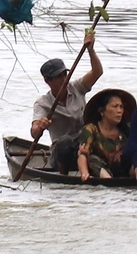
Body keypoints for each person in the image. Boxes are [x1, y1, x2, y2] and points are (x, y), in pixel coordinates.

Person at [29, 31, 102, 173]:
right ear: (47, 81)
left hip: (85, 145)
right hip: (61, 153)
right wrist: (40, 126)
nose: (63, 79)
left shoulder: (77, 87)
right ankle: (64, 175)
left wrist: (91, 50)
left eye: (64, 74)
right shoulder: (43, 103)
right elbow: (34, 131)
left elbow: (97, 72)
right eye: (58, 77)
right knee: (65, 142)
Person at [76, 88, 134, 180]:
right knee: (92, 158)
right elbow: (83, 154)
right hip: (99, 169)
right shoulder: (91, 129)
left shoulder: (126, 130)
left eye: (121, 107)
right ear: (102, 111)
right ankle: (108, 180)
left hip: (122, 170)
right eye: (114, 106)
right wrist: (84, 173)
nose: (119, 111)